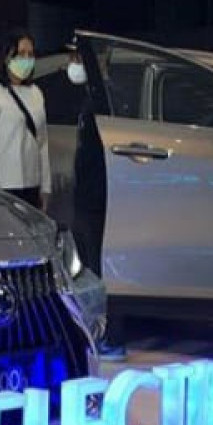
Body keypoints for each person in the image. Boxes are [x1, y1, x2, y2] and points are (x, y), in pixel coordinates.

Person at [67, 43, 127, 361]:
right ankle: (99, 334)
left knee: (100, 269)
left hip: (100, 196)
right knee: (92, 266)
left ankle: (109, 337)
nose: (72, 64)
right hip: (90, 195)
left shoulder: (106, 100)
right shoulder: (94, 97)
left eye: (77, 58)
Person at [0, 29, 51, 210]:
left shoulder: (36, 93)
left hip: (30, 186)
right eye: (21, 54)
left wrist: (45, 187)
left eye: (30, 54)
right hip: (2, 187)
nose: (27, 59)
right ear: (6, 56)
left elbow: (42, 143)